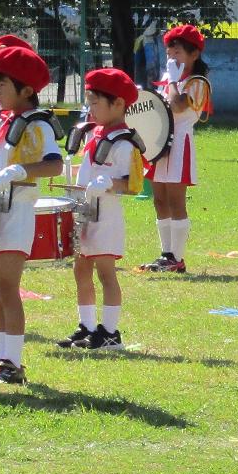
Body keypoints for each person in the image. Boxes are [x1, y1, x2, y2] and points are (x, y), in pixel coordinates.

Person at [0, 43, 61, 386]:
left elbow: (53, 164)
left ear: (26, 90)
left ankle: (15, 363)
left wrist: (19, 171)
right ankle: (0, 357)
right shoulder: (0, 121)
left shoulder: (37, 125)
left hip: (18, 211)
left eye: (2, 85)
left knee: (8, 287)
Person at [66, 68, 143, 351]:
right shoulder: (93, 133)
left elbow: (132, 183)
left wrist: (109, 182)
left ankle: (110, 332)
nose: (91, 108)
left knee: (106, 273)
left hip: (106, 216)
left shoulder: (124, 142)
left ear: (119, 104)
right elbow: (89, 169)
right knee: (81, 269)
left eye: (96, 102)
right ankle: (86, 326)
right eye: (90, 101)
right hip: (84, 212)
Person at [140, 24, 212, 274]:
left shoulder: (197, 82)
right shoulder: (170, 80)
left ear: (194, 54)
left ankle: (177, 258)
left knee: (176, 201)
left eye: (178, 52)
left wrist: (171, 80)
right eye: (170, 52)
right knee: (159, 200)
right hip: (160, 144)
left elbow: (177, 106)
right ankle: (166, 253)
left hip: (179, 143)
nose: (172, 56)